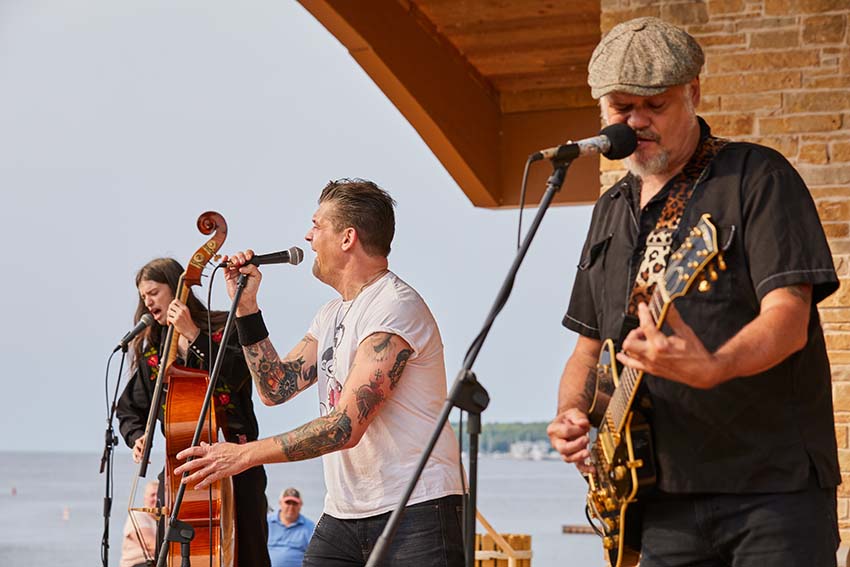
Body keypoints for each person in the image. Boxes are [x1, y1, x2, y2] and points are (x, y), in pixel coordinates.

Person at [547, 16, 840, 567]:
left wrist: (717, 365)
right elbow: (589, 349)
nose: (636, 122)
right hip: (656, 503)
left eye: (654, 106)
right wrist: (571, 415)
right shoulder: (611, 211)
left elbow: (788, 317)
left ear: (693, 94)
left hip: (768, 494)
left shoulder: (755, 178)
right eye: (621, 108)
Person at [173, 178, 465, 566]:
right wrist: (246, 308)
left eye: (317, 225)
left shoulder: (394, 308)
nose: (308, 237)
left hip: (417, 507)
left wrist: (244, 455)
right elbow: (275, 387)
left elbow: (344, 425)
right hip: (345, 512)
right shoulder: (331, 314)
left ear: (347, 237)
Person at [116, 257, 271, 567]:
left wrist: (193, 335)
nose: (147, 302)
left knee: (248, 553)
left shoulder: (222, 325)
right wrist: (137, 435)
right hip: (182, 471)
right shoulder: (153, 350)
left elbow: (239, 373)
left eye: (153, 293)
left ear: (176, 290)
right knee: (171, 555)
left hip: (237, 461)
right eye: (142, 296)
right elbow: (130, 407)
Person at [267, 487, 315, 567]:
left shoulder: (309, 527)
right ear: (280, 503)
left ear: (300, 505)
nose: (291, 507)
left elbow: (314, 556)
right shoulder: (266, 522)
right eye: (288, 502)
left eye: (294, 503)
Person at [119, 480, 159, 567]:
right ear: (145, 499)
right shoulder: (138, 515)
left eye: (159, 495)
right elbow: (150, 545)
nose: (156, 498)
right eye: (152, 495)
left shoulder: (165, 520)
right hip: (137, 563)